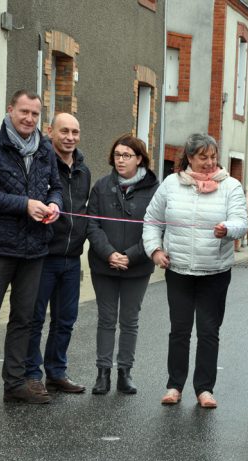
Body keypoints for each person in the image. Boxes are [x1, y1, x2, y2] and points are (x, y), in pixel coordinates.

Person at [0, 90, 63, 410]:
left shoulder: (45, 149)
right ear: (10, 110)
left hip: (34, 249)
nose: (29, 119)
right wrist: (25, 205)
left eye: (35, 114)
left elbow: (57, 187)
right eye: (24, 112)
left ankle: (15, 383)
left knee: (25, 319)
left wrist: (54, 205)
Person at [143, 134, 248, 408]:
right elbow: (152, 220)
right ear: (189, 158)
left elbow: (242, 222)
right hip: (178, 269)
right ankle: (174, 386)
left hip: (215, 271)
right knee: (179, 330)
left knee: (208, 331)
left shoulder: (231, 186)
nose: (209, 162)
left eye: (213, 157)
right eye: (203, 157)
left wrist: (228, 229)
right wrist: (155, 250)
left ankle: (204, 389)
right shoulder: (170, 184)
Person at [87, 135, 159, 395]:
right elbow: (92, 223)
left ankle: (124, 373)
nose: (120, 160)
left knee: (129, 320)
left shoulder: (154, 189)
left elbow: (157, 228)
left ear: (139, 158)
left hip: (137, 266)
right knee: (106, 319)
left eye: (126, 155)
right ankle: (102, 373)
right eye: (117, 154)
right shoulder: (102, 186)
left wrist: (131, 255)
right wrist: (109, 254)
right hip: (104, 265)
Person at [25, 113, 90, 396]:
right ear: (50, 130)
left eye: (75, 132)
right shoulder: (41, 164)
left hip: (72, 257)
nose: (70, 137)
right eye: (64, 131)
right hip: (44, 255)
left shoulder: (84, 170)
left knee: (65, 319)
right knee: (34, 319)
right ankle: (31, 375)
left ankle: (57, 373)